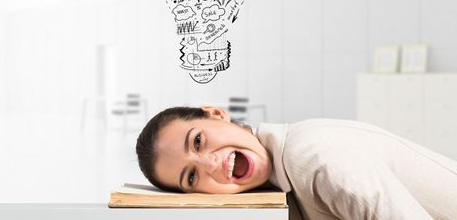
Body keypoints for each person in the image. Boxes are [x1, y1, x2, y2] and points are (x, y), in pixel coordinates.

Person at [136, 106, 457, 220]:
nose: (210, 164)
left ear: (217, 113)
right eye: (191, 178)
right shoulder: (277, 187)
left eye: (198, 141)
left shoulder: (312, 156)